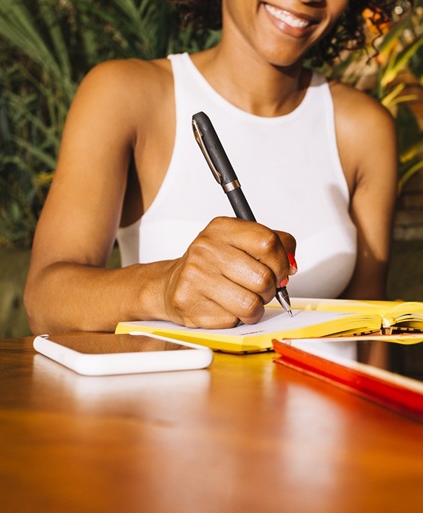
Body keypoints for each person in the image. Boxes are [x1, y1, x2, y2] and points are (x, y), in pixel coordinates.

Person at [24, 0, 399, 334]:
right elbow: (44, 302)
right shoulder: (125, 94)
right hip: (165, 408)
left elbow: (370, 329)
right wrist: (164, 287)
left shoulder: (364, 129)